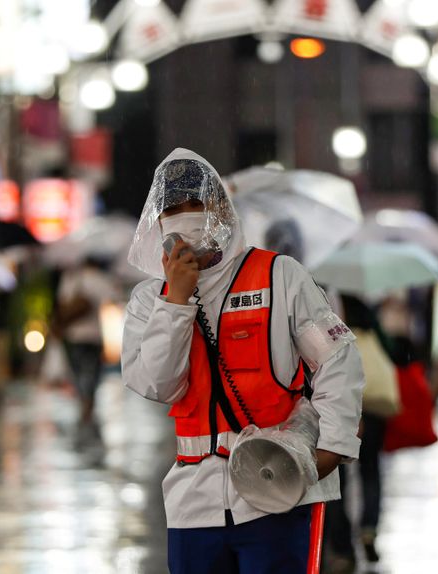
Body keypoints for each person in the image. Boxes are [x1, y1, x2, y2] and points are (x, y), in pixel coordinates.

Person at [121, 148, 365, 574]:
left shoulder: (280, 276)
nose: (185, 216)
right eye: (172, 209)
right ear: (157, 222)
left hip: (277, 487)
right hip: (192, 503)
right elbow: (157, 385)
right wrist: (176, 303)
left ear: (219, 209)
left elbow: (338, 360)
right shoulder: (149, 301)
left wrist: (332, 448)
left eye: (195, 204)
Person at [326, 294, 398, 571]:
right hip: (373, 407)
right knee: (370, 470)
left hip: (341, 406)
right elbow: (393, 353)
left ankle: (343, 546)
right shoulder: (368, 316)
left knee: (336, 478)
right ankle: (368, 529)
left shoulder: (325, 312)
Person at [55, 257, 119, 431]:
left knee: (77, 370)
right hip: (94, 335)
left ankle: (84, 401)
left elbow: (62, 303)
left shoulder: (70, 278)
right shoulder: (99, 278)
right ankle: (88, 401)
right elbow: (113, 298)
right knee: (92, 370)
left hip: (74, 335)